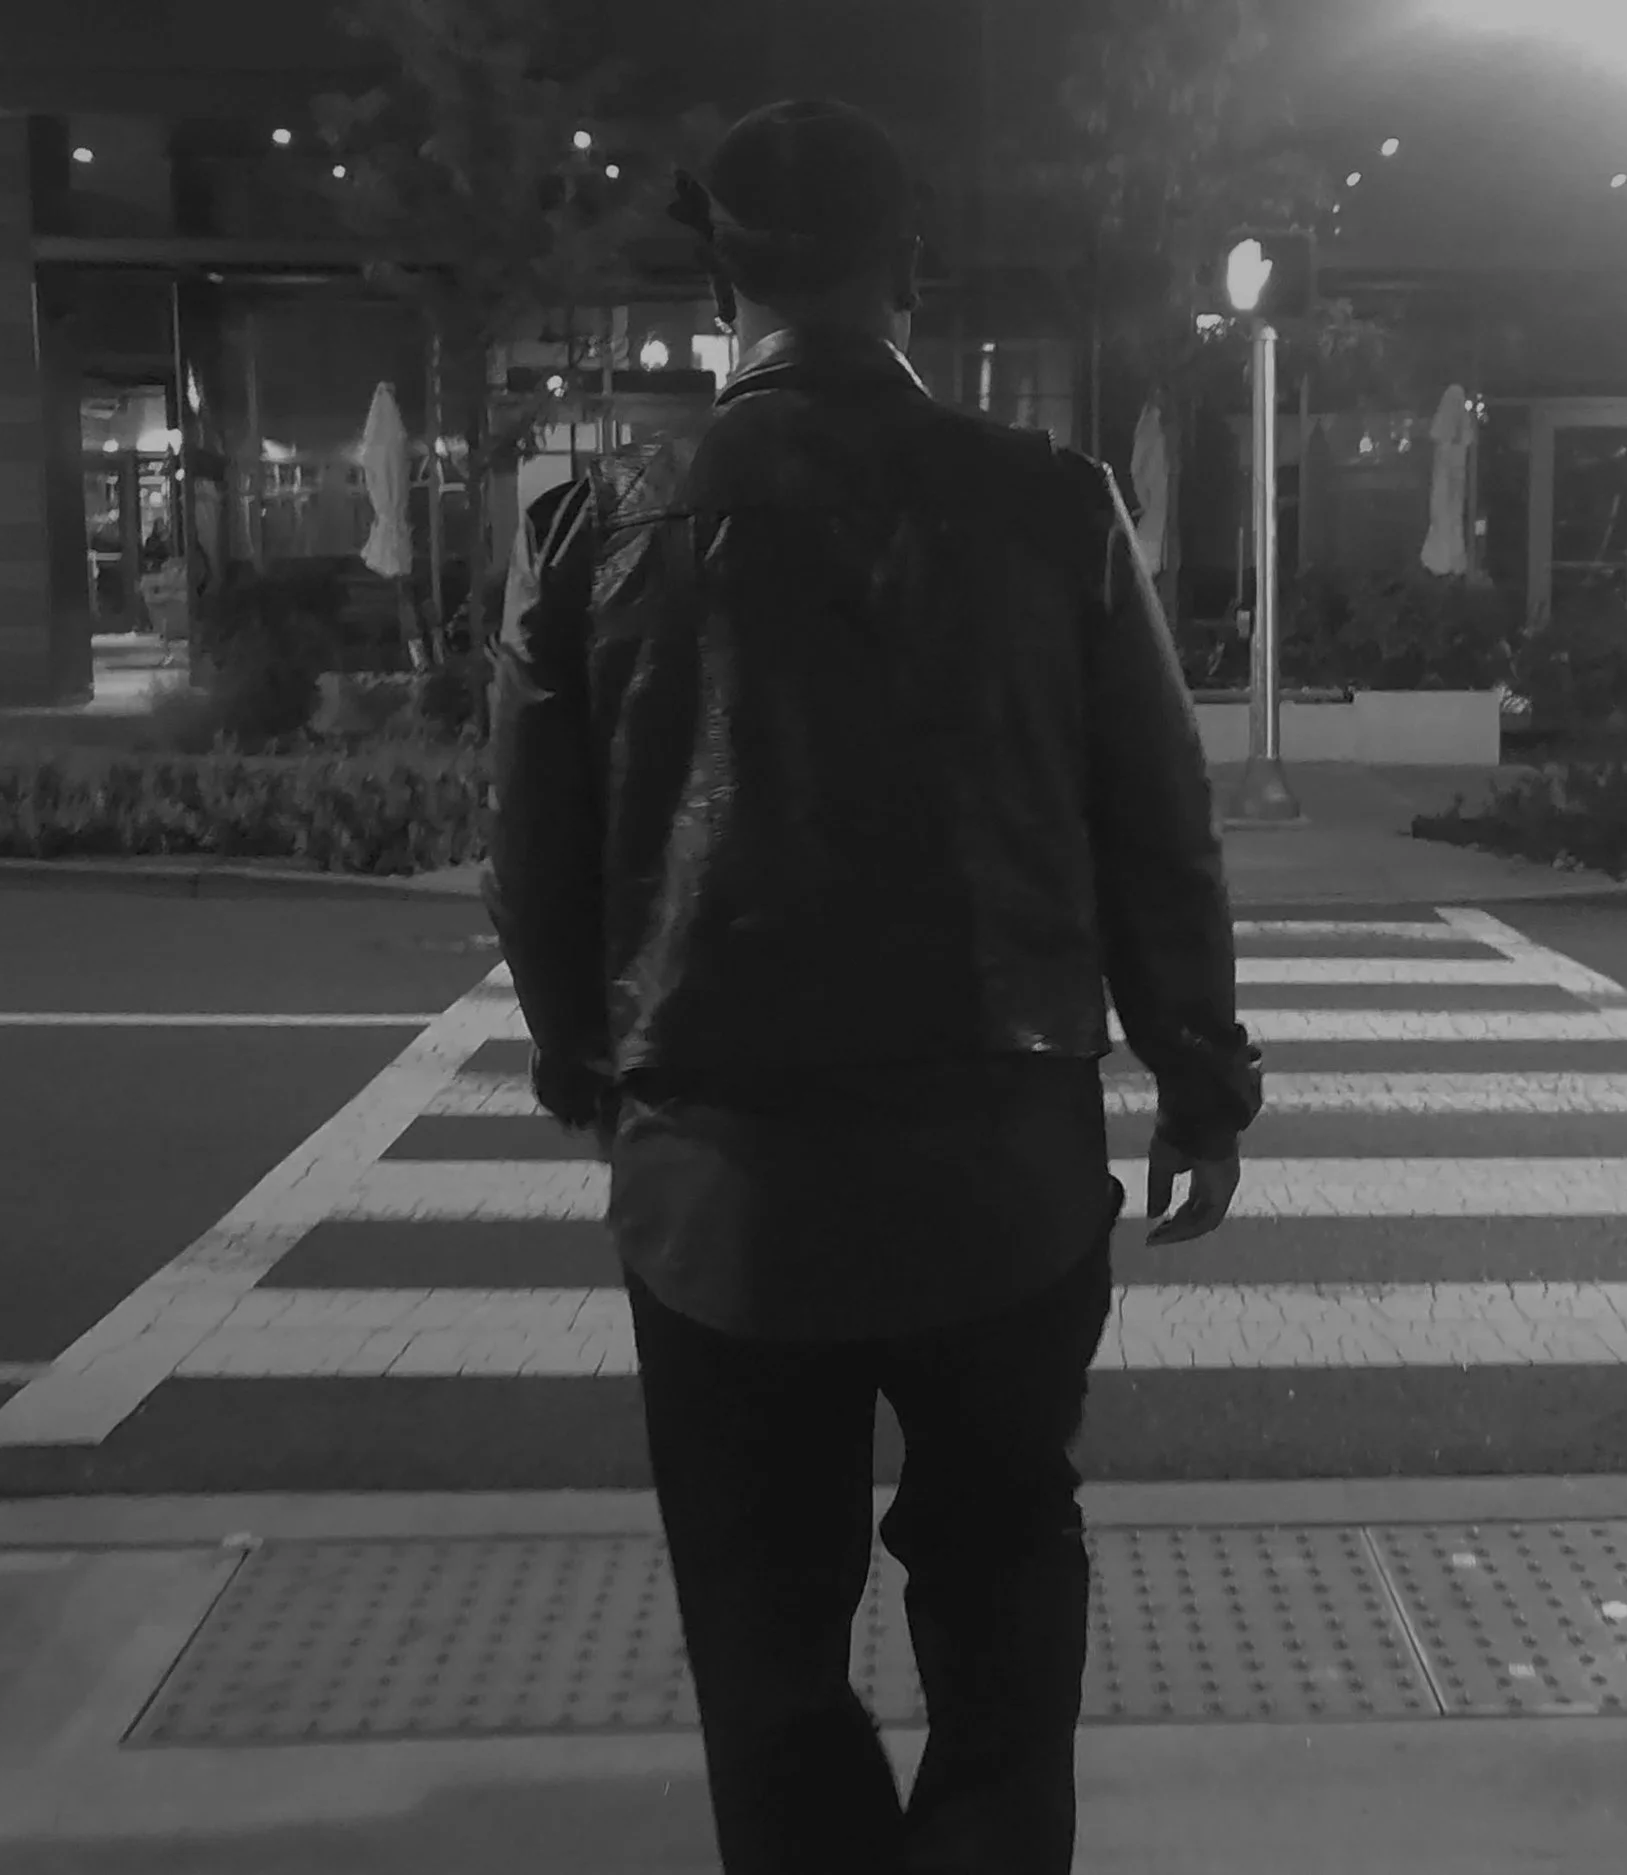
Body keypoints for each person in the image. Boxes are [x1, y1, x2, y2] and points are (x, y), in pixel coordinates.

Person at [484, 99, 1262, 1875]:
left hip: (724, 1195)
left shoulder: (598, 523)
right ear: (909, 271)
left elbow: (532, 846)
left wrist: (591, 1064)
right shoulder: (1057, 510)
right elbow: (1157, 822)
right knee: (1001, 1584)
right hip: (1001, 1172)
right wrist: (1200, 1077)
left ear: (721, 276)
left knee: (764, 1648)